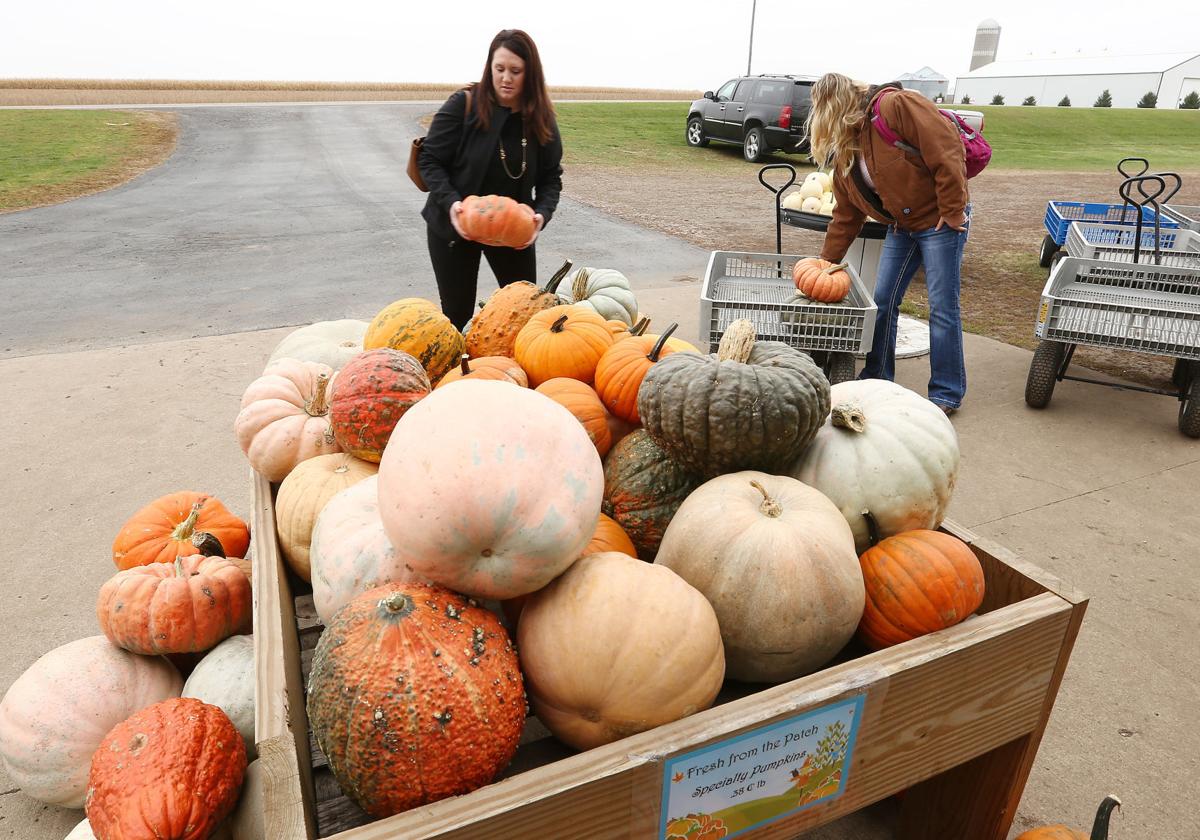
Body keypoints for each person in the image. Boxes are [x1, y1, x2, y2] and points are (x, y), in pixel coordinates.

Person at [806, 73, 971, 414]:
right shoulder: (849, 149)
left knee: (942, 306)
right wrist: (824, 264)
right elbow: (846, 215)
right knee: (882, 301)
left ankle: (946, 392)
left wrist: (953, 211)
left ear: (838, 107)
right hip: (903, 225)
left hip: (940, 220)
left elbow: (946, 150)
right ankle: (878, 376)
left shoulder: (896, 105)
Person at [418, 29, 563, 330]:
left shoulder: (541, 119)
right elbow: (429, 159)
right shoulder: (465, 104)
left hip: (512, 229)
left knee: (524, 314)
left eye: (515, 71)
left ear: (530, 73)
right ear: (490, 67)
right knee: (456, 316)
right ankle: (462, 374)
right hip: (456, 226)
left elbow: (551, 178)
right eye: (499, 69)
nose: (505, 78)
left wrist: (541, 215)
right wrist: (451, 203)